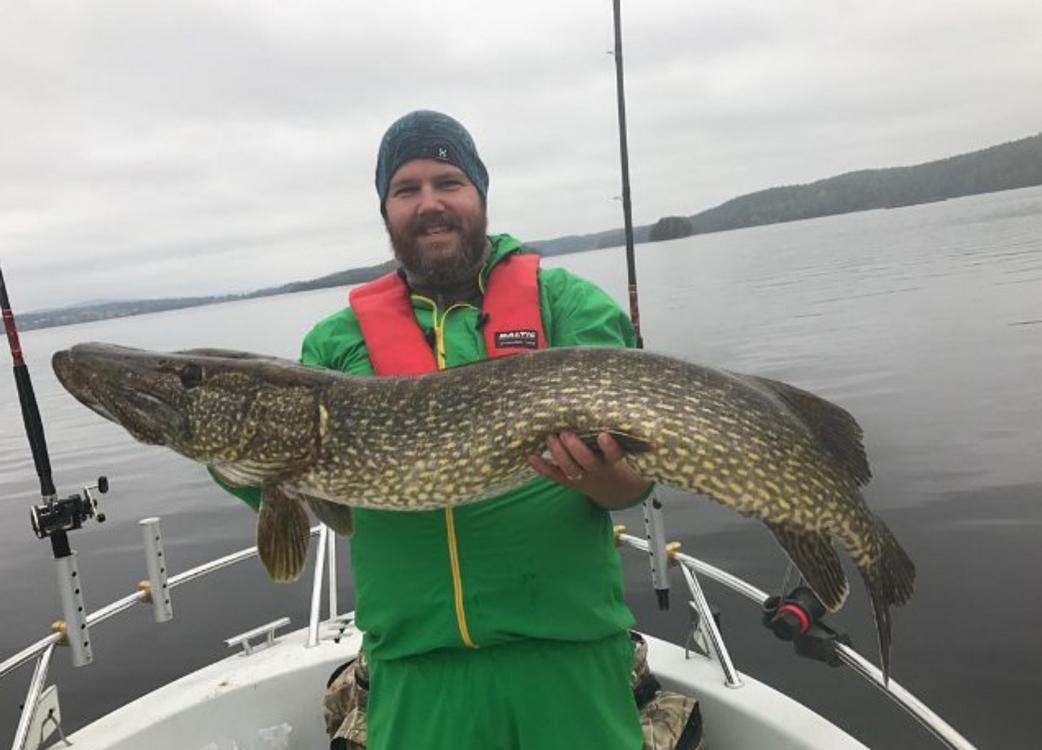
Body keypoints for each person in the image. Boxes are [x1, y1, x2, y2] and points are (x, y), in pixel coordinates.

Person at [219, 110, 652, 749]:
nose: (429, 203)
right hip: (415, 675)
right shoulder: (335, 343)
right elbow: (297, 493)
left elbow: (634, 482)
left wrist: (606, 476)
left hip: (570, 660)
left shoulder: (565, 304)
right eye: (406, 189)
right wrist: (227, 448)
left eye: (448, 182)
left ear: (479, 193)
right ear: (386, 210)